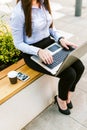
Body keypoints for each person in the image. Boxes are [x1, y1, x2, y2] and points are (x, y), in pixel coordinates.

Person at [10, 0, 85, 115]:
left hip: (50, 45)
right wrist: (38, 51)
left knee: (79, 66)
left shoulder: (43, 2)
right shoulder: (18, 12)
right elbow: (18, 43)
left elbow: (50, 28)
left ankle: (67, 95)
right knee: (69, 74)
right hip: (32, 53)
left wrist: (60, 39)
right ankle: (61, 99)